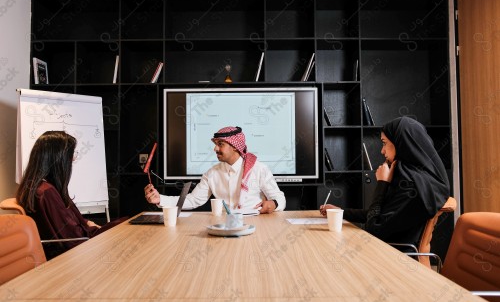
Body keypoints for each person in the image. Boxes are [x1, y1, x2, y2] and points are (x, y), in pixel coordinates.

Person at [320, 116, 450, 246]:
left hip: (392, 256)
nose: (382, 151)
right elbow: (380, 215)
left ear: (401, 143)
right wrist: (341, 211)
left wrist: (382, 183)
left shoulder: (412, 187)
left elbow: (373, 229)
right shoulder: (416, 179)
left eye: (384, 143)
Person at [16, 131, 126, 260]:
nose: (73, 158)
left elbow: (66, 225)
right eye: (71, 154)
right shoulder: (46, 192)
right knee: (126, 226)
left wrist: (87, 222)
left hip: (78, 242)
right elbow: (72, 238)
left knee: (126, 225)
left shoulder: (39, 186)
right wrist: (98, 230)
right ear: (58, 158)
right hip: (75, 253)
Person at [144, 126, 286, 214]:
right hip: (223, 227)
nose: (215, 148)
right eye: (215, 144)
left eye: (220, 144)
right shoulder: (212, 173)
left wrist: (273, 204)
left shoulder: (259, 169)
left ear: (234, 146)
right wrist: (160, 199)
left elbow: (280, 199)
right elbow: (193, 200)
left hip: (255, 227)